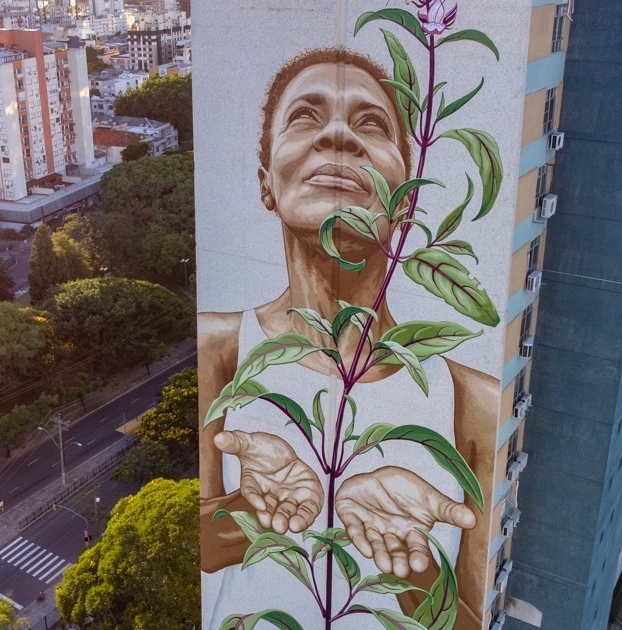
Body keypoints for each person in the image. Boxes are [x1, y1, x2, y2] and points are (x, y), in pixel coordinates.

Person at [199, 48, 499, 628]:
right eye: (305, 116)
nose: (338, 134)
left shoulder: (475, 403)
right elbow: (201, 547)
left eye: (371, 123)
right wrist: (256, 510)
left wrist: (415, 568)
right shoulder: (219, 349)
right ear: (267, 183)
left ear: (405, 202)